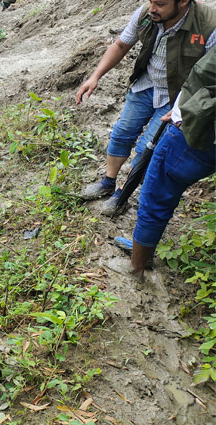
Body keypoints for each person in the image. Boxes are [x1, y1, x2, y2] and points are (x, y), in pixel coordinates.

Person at [76, 0, 215, 216]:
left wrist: (185, 107)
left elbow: (211, 77)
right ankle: (107, 181)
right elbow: (121, 45)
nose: (152, 8)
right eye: (151, 1)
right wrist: (95, 76)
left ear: (184, 2)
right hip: (146, 85)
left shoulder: (209, 26)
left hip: (176, 96)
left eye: (160, 3)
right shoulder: (144, 14)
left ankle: (122, 194)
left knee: (147, 150)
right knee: (122, 133)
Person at [116, 48, 214, 279]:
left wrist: (188, 113)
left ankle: (136, 267)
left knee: (156, 197)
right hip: (200, 132)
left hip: (192, 137)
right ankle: (143, 250)